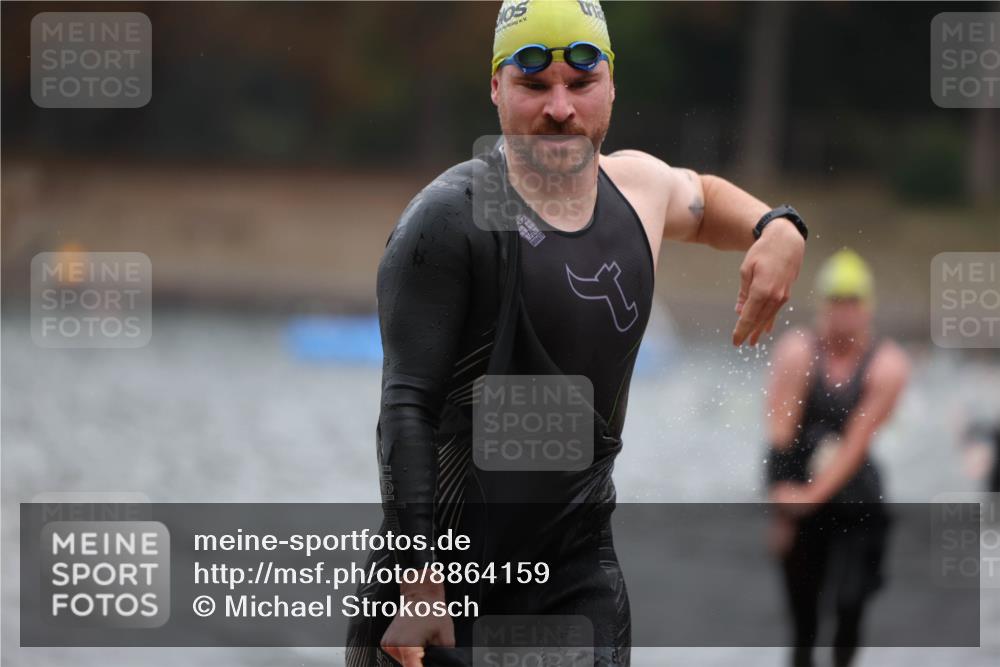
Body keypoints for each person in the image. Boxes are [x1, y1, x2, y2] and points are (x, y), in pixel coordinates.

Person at [346, 2, 807, 665]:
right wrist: (420, 576)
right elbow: (405, 410)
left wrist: (779, 226)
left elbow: (701, 198)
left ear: (611, 84)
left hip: (573, 581)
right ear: (497, 88)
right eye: (535, 86)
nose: (559, 108)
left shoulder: (637, 190)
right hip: (441, 586)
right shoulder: (452, 218)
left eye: (580, 83)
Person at [764, 248, 911, 667]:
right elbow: (780, 433)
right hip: (800, 494)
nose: (843, 315)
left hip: (855, 501)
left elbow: (855, 444)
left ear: (867, 309)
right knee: (803, 621)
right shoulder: (798, 351)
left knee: (850, 609)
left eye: (852, 304)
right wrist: (782, 508)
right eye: (835, 303)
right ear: (821, 306)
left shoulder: (888, 365)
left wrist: (811, 497)